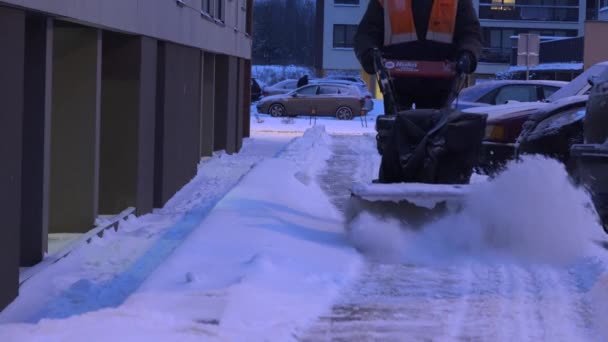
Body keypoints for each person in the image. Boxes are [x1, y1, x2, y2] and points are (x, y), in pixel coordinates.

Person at [354, 0, 482, 111]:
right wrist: (369, 53)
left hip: (440, 86)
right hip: (396, 84)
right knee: (397, 131)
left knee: (436, 132)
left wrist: (468, 53)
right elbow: (366, 34)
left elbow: (470, 33)